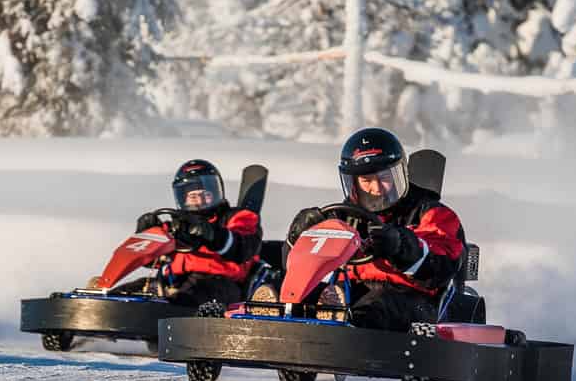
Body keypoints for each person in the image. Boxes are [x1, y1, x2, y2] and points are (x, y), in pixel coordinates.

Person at [267, 127, 465, 331]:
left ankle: (344, 328)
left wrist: (400, 246)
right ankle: (270, 320)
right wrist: (298, 236)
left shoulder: (431, 213)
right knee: (292, 294)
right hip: (346, 292)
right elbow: (295, 269)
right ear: (354, 183)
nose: (376, 188)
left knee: (375, 306)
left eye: (384, 178)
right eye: (367, 180)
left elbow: (441, 267)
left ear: (400, 174)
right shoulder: (341, 216)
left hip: (411, 298)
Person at [132, 159, 262, 307]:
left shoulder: (239, 217)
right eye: (193, 196)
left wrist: (212, 235)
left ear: (216, 192)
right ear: (183, 199)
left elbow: (243, 248)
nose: (199, 200)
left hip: (220, 284)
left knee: (185, 299)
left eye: (205, 194)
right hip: (171, 283)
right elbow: (150, 261)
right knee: (126, 295)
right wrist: (146, 235)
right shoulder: (176, 226)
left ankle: (177, 314)